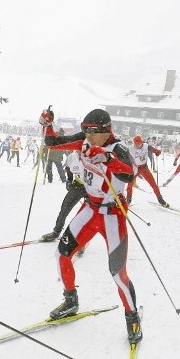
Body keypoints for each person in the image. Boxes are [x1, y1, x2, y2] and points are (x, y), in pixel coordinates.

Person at [42, 108, 142, 344]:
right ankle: (71, 300)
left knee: (118, 274)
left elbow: (131, 173)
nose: (88, 136)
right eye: (85, 130)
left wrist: (108, 159)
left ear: (106, 130)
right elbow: (52, 143)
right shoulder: (84, 141)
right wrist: (47, 124)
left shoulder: (118, 148)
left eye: (93, 132)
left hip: (112, 214)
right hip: (89, 209)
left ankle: (132, 317)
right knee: (62, 254)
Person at [41, 150, 88, 244]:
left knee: (86, 214)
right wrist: (69, 180)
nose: (79, 150)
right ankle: (56, 231)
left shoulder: (91, 155)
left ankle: (83, 239)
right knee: (64, 209)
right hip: (78, 185)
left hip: (92, 188)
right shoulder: (72, 156)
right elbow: (68, 168)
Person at [126, 135, 168, 206]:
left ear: (141, 142)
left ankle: (160, 199)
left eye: (138, 144)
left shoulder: (146, 146)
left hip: (144, 168)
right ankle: (128, 199)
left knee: (153, 184)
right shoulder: (130, 148)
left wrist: (157, 152)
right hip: (134, 169)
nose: (137, 145)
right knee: (130, 185)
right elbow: (124, 156)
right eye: (135, 144)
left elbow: (155, 150)